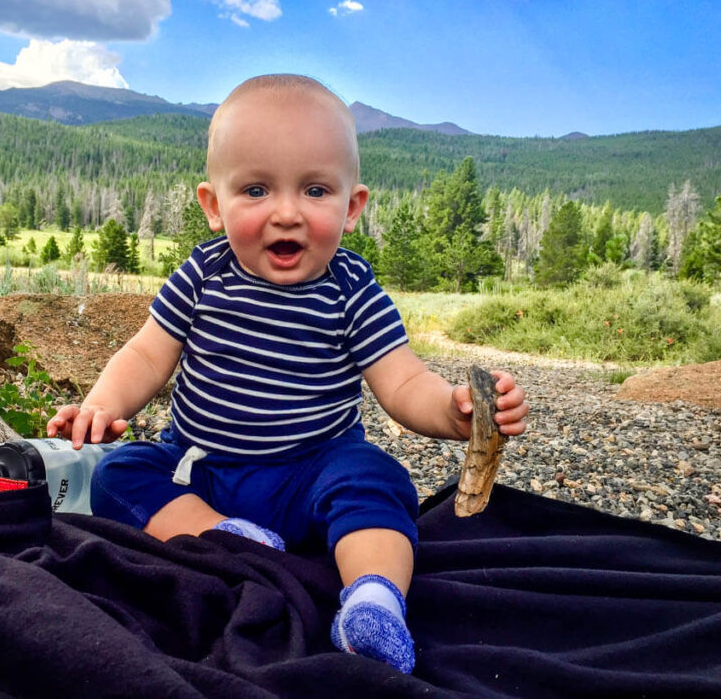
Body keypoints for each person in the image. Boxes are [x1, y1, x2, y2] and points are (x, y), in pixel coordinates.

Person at [47, 74, 529, 674]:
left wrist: (454, 411)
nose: (286, 213)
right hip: (203, 466)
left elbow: (403, 383)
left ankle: (374, 601)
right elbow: (147, 355)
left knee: (375, 478)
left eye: (315, 190)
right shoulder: (203, 274)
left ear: (351, 207)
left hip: (314, 470)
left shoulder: (352, 291)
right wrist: (100, 405)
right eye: (255, 189)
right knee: (120, 473)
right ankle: (230, 537)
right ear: (213, 205)